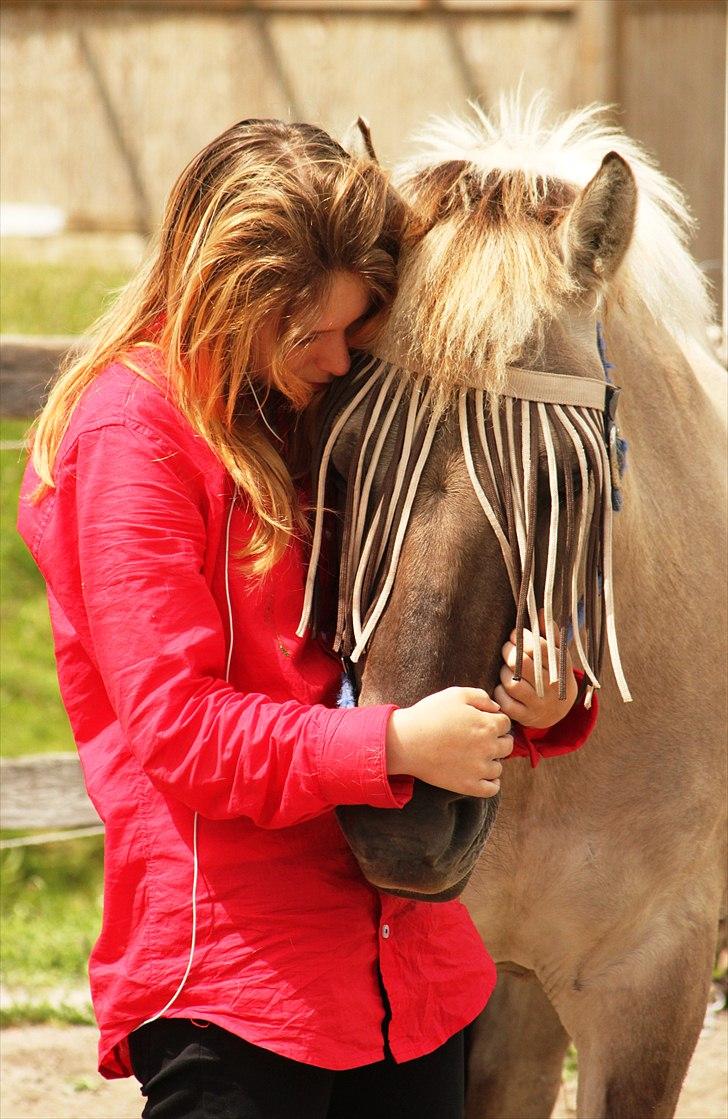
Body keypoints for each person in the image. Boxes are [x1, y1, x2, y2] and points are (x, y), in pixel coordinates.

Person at [18, 119, 596, 1119]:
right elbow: (178, 728)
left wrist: (535, 706)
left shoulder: (307, 413)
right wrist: (400, 742)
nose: (337, 361)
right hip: (236, 988)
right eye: (310, 334)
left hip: (409, 981)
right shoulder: (130, 439)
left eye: (351, 328)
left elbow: (408, 630)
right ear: (226, 299)